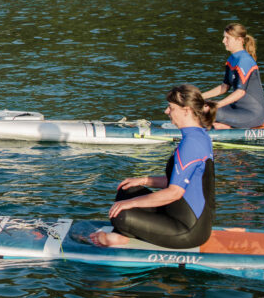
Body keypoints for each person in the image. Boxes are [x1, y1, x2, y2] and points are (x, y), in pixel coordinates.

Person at [90, 84, 216, 249]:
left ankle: (119, 238)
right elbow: (180, 181)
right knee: (127, 189)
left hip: (188, 230)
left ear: (186, 110)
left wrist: (131, 204)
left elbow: (175, 192)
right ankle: (122, 234)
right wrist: (143, 180)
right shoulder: (199, 135)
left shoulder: (191, 143)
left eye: (171, 108)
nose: (166, 112)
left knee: (121, 214)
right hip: (176, 214)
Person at [201, 23, 264, 129]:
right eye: (224, 37)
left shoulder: (245, 60)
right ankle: (220, 125)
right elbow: (224, 87)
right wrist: (199, 97)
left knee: (208, 111)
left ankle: (225, 127)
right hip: (235, 108)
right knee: (200, 106)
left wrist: (216, 106)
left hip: (253, 114)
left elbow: (240, 93)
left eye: (227, 38)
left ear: (239, 40)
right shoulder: (232, 59)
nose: (223, 41)